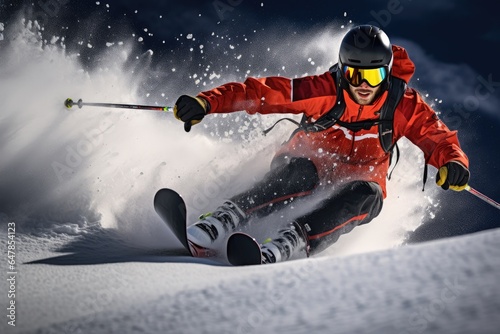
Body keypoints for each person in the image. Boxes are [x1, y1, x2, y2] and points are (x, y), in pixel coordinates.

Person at [173, 25, 470, 264]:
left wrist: (453, 163)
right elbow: (263, 94)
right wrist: (207, 102)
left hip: (360, 179)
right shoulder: (324, 91)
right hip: (308, 162)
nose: (363, 85)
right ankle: (226, 217)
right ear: (342, 70)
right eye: (354, 74)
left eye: (374, 75)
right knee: (303, 174)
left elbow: (438, 137)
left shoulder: (402, 105)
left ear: (387, 73)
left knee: (368, 195)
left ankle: (290, 241)